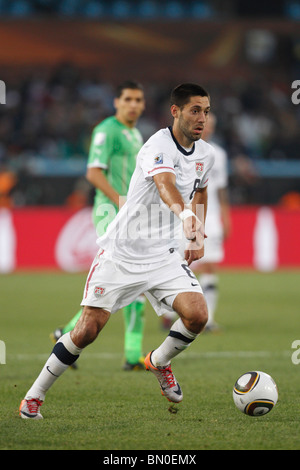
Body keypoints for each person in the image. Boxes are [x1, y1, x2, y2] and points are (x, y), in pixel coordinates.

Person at [19, 83, 215, 419]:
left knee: (197, 314)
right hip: (123, 253)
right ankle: (33, 396)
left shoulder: (206, 154)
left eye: (206, 111)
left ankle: (158, 361)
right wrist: (185, 217)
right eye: (194, 110)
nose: (201, 118)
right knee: (86, 331)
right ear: (176, 111)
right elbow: (165, 185)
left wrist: (195, 237)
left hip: (165, 255)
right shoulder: (156, 145)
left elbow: (202, 190)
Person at [51, 80, 146, 371]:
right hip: (111, 211)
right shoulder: (107, 130)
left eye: (138, 100)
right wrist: (120, 200)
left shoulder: (135, 133)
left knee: (129, 284)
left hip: (130, 213)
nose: (133, 104)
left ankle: (70, 335)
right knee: (127, 282)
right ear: (116, 102)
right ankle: (130, 355)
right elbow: (93, 173)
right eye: (128, 99)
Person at [190, 112, 231, 331]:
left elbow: (222, 189)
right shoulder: (183, 150)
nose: (208, 128)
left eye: (211, 125)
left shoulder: (219, 155)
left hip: (211, 217)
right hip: (185, 217)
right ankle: (172, 313)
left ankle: (209, 318)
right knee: (177, 266)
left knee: (209, 265)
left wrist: (226, 217)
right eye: (205, 124)